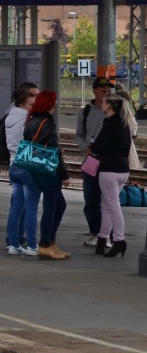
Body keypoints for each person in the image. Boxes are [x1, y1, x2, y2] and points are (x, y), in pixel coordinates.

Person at [21, 91, 71, 260]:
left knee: (60, 205)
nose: (56, 104)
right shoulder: (47, 122)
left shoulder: (31, 120)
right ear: (49, 103)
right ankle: (45, 244)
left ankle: (50, 242)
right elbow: (55, 151)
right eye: (54, 101)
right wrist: (65, 175)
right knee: (51, 208)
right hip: (49, 171)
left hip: (35, 169)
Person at [86, 93, 132, 258]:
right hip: (122, 170)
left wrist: (92, 146)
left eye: (104, 103)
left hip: (109, 170)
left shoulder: (110, 123)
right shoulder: (124, 122)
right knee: (106, 206)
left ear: (109, 106)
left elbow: (99, 146)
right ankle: (102, 239)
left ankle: (119, 240)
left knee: (112, 206)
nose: (101, 105)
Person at [75, 76, 114, 246]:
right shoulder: (85, 112)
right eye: (103, 91)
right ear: (95, 91)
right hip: (91, 161)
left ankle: (109, 235)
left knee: (109, 201)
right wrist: (84, 147)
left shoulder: (114, 111)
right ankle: (96, 232)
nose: (106, 93)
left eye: (108, 91)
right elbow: (79, 134)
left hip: (109, 162)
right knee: (90, 199)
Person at [4, 84, 39, 254]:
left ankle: (12, 244)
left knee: (16, 207)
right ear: (24, 103)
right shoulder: (27, 121)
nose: (34, 106)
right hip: (27, 166)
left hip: (13, 165)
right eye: (32, 104)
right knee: (30, 207)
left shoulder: (9, 117)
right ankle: (31, 245)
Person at [112, 84, 141, 171]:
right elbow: (133, 124)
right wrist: (134, 134)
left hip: (115, 142)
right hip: (127, 140)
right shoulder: (128, 112)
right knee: (127, 161)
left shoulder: (113, 112)